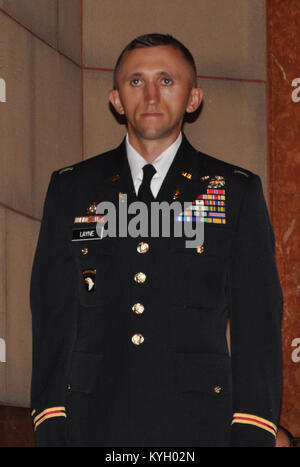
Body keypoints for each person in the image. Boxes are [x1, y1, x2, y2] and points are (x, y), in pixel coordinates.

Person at [30, 33, 283, 447]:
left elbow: (257, 321)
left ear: (193, 98)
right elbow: (52, 314)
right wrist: (51, 419)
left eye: (166, 81)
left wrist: (253, 427)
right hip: (92, 422)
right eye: (135, 81)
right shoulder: (73, 189)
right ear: (116, 100)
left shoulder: (232, 191)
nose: (150, 95)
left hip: (200, 424)